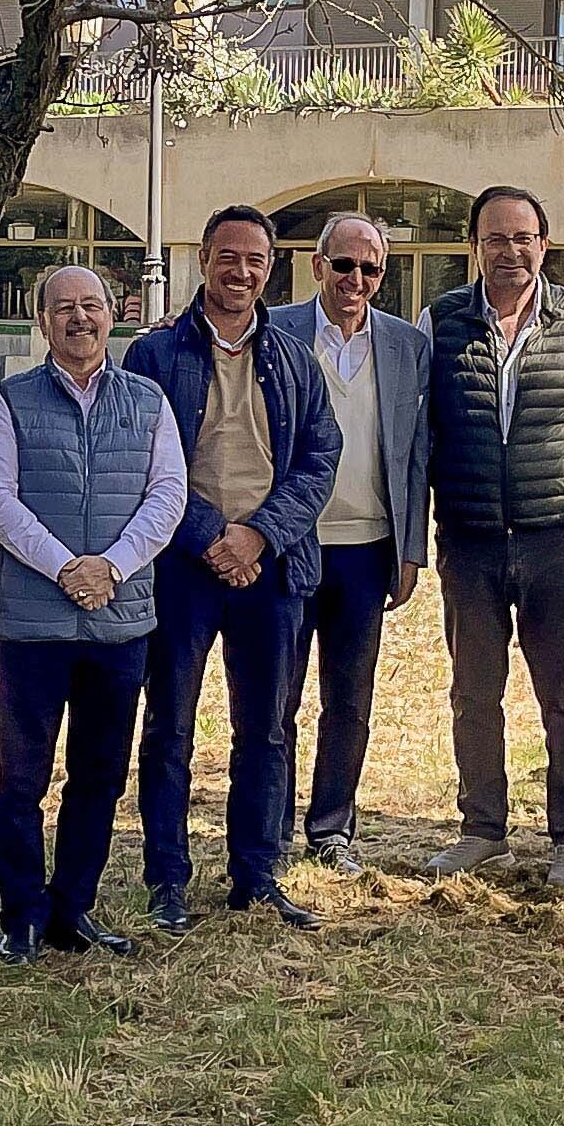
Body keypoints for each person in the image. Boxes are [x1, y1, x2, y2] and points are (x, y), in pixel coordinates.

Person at [126, 207, 340, 934]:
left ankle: (257, 875)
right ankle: (167, 879)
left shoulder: (293, 359)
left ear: (270, 268)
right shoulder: (156, 357)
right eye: (228, 256)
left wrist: (258, 537)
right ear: (203, 260)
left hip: (271, 568)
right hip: (183, 568)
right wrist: (212, 537)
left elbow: (320, 459)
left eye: (255, 259)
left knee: (268, 729)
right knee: (169, 727)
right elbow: (142, 462)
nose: (240, 272)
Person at [420, 187, 564, 893]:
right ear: (474, 247)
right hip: (470, 539)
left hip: (554, 539)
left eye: (523, 238)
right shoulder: (440, 322)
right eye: (495, 238)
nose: (509, 252)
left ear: (544, 244)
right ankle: (482, 829)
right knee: (474, 692)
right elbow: (421, 425)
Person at [0, 266, 188, 962]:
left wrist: (111, 568)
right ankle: (21, 917)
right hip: (31, 625)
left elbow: (168, 496)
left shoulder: (148, 402)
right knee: (21, 779)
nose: (79, 318)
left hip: (118, 625)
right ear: (42, 321)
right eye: (63, 307)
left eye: (91, 305)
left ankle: (73, 910)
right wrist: (66, 566)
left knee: (99, 776)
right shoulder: (10, 402)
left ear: (111, 316)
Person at [270, 212, 432, 876]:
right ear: (318, 266)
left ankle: (331, 827)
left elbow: (417, 455)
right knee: (275, 695)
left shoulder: (406, 346)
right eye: (344, 265)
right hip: (288, 542)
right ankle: (271, 826)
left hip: (368, 548)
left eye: (371, 269)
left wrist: (411, 549)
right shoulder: (274, 331)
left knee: (350, 699)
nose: (356, 279)